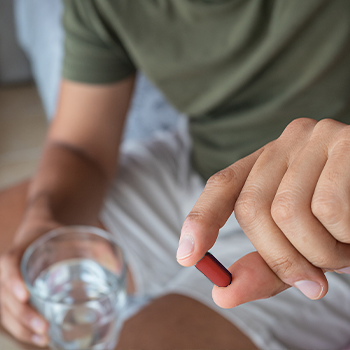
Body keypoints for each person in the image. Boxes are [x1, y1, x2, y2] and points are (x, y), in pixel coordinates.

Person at [2, 0, 350, 349]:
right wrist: (44, 218)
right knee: (14, 266)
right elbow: (80, 147)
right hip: (195, 166)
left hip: (328, 203)